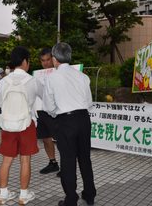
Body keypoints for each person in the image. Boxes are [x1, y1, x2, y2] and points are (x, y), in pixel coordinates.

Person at [43, 43, 96, 206]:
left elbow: (49, 107)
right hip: (83, 119)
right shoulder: (82, 76)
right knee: (85, 158)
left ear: (54, 59)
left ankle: (71, 199)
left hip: (65, 121)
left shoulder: (51, 78)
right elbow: (89, 102)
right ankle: (89, 194)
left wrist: (58, 114)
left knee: (68, 160)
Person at [0, 46, 41, 205]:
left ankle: (3, 194)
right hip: (26, 125)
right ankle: (23, 195)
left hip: (7, 126)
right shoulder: (32, 81)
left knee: (6, 160)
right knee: (25, 161)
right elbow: (43, 101)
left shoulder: (3, 82)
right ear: (25, 61)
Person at [35, 48, 60, 176]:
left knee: (62, 139)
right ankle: (53, 162)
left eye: (48, 59)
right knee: (45, 138)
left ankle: (67, 165)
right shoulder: (38, 75)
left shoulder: (60, 73)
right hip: (41, 110)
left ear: (53, 58)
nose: (45, 63)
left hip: (56, 110)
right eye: (42, 60)